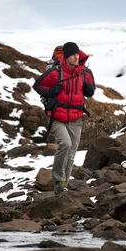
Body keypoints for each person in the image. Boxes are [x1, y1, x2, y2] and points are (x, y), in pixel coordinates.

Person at [33, 42, 95, 195]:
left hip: (76, 118)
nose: (76, 57)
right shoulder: (55, 72)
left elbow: (91, 91)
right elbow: (37, 86)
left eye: (77, 54)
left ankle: (62, 188)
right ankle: (58, 181)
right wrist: (52, 91)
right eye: (72, 55)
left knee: (72, 155)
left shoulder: (85, 73)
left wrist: (89, 89)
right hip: (57, 117)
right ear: (66, 57)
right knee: (65, 144)